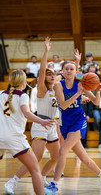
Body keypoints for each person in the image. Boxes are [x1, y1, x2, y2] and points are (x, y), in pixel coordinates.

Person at [45, 58, 101, 194]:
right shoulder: (58, 85)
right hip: (65, 124)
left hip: (78, 121)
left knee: (62, 151)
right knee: (84, 158)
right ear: (62, 71)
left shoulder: (81, 84)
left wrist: (97, 91)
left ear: (76, 71)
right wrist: (78, 94)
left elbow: (96, 102)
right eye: (66, 69)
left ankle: (54, 185)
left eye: (72, 69)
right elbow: (64, 105)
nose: (69, 71)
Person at [4, 38, 60, 194]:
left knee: (56, 157)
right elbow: (42, 71)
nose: (50, 75)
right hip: (40, 123)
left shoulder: (55, 90)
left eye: (52, 74)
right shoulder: (41, 89)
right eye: (47, 74)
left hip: (52, 126)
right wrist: (46, 52)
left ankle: (41, 178)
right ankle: (13, 181)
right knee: (36, 157)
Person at [0, 69, 55, 195]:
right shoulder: (23, 96)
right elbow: (26, 113)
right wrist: (42, 121)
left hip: (0, 136)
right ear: (24, 82)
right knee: (35, 169)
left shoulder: (1, 93)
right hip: (14, 138)